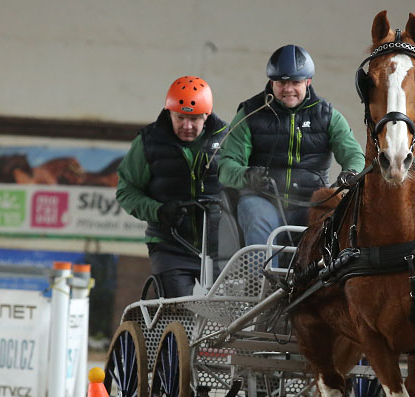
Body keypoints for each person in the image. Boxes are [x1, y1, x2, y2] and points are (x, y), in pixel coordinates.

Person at [217, 44, 365, 247]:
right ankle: (262, 279)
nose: (288, 89)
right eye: (281, 82)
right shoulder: (250, 114)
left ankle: (324, 277)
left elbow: (354, 155)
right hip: (262, 198)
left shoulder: (328, 116)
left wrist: (351, 172)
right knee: (257, 216)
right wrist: (249, 176)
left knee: (335, 219)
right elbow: (226, 167)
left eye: (295, 82)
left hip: (312, 201)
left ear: (308, 81)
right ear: (271, 82)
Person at [116, 76, 228, 298]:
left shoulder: (228, 139)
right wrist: (158, 210)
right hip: (170, 244)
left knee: (226, 312)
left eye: (194, 119)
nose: (187, 126)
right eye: (180, 118)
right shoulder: (149, 142)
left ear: (206, 115)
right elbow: (126, 191)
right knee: (176, 311)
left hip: (221, 247)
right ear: (169, 113)